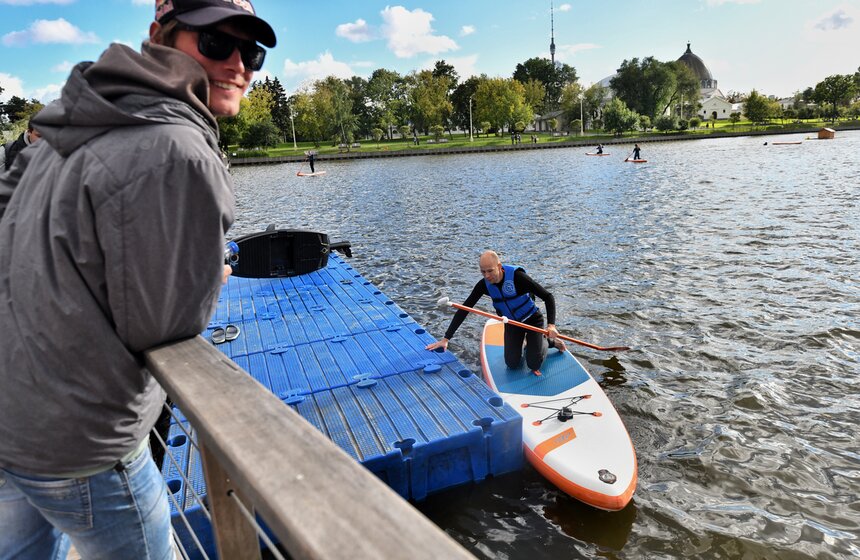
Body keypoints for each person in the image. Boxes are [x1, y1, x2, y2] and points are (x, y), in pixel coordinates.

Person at [0, 0, 276, 558]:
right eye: (215, 44)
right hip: (83, 441)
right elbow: (163, 324)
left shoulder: (73, 122)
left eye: (252, 51)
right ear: (161, 37)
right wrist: (209, 274)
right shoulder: (178, 149)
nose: (238, 65)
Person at [425, 251, 567, 376]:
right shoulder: (483, 285)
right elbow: (465, 309)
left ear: (499, 266)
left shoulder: (518, 277)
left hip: (532, 320)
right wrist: (446, 339)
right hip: (513, 323)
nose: (487, 276)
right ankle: (526, 343)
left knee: (533, 364)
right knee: (512, 364)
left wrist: (551, 325)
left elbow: (548, 297)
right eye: (483, 271)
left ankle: (549, 341)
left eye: (490, 271)